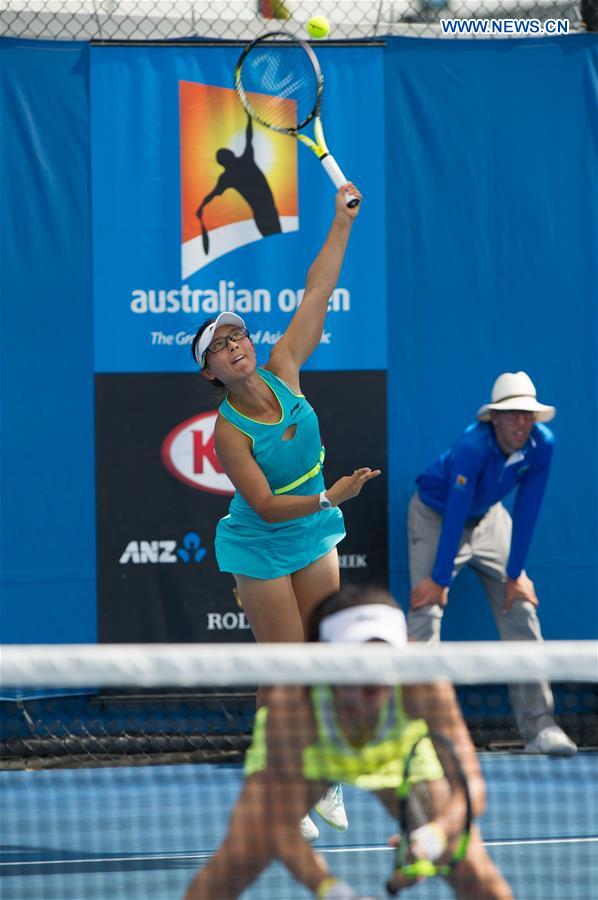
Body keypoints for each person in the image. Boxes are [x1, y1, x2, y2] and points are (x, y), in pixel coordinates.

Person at [191, 183, 380, 840]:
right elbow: (267, 508)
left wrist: (341, 223)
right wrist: (331, 494)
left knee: (324, 660)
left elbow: (318, 289)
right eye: (220, 345)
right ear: (211, 372)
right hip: (263, 541)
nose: (235, 345)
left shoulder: (285, 366)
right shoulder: (227, 431)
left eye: (237, 333)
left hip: (313, 530)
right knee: (287, 669)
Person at [184, 586, 512, 899]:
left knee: (474, 872)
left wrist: (434, 837)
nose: (375, 672)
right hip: (314, 753)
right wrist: (331, 890)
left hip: (395, 751)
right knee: (236, 862)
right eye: (359, 659)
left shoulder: (422, 683)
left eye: (385, 656)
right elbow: (278, 825)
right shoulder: (295, 702)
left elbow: (471, 788)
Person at [407, 371, 576, 756]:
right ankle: (422, 736)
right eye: (512, 414)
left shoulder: (541, 444)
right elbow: (455, 512)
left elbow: (528, 507)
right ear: (494, 418)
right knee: (426, 611)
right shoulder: (472, 447)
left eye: (527, 414)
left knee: (521, 608)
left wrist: (515, 574)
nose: (521, 422)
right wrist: (439, 579)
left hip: (490, 519)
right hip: (438, 516)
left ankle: (540, 728)